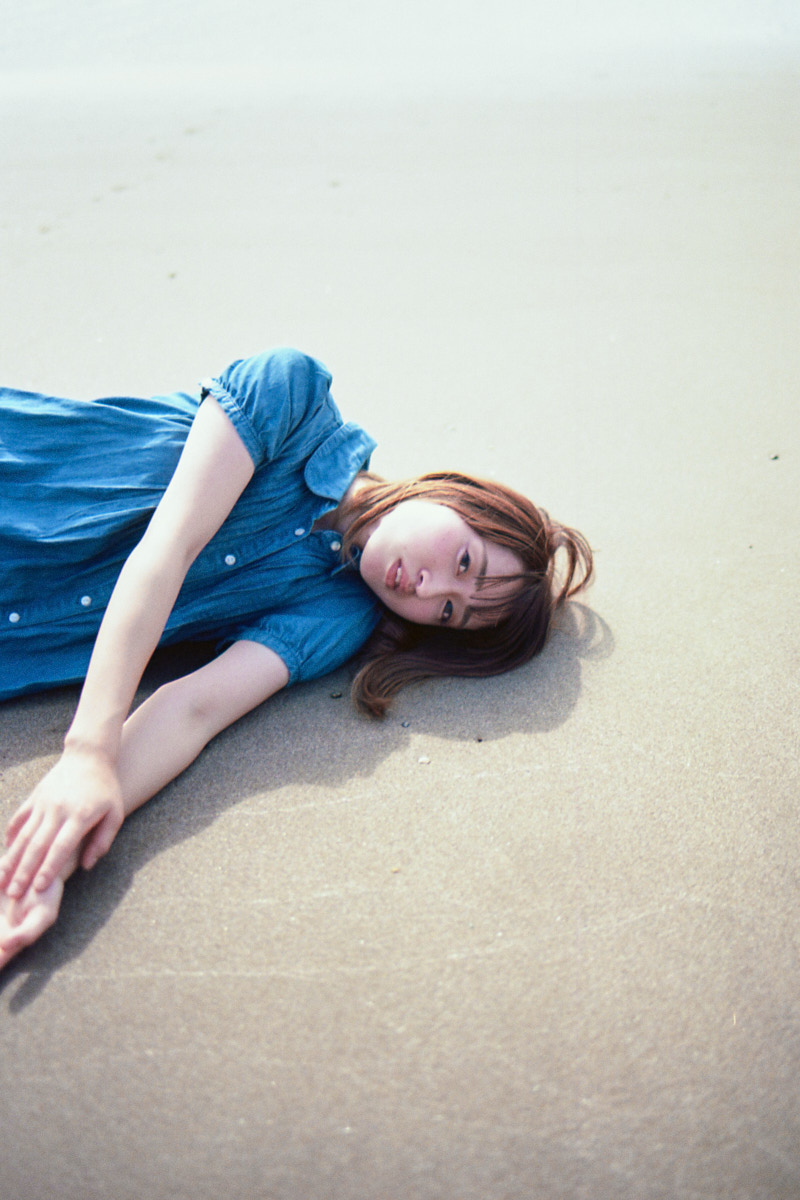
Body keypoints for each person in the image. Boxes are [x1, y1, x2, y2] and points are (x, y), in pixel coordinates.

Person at [0, 347, 592, 968]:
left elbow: (193, 710)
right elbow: (170, 546)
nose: (428, 588)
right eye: (465, 562)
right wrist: (88, 753)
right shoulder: (291, 397)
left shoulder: (337, 615)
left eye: (449, 611)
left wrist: (44, 859)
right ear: (458, 498)